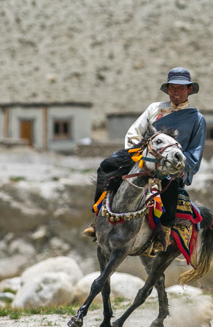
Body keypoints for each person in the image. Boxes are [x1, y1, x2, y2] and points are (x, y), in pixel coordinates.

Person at [83, 67, 206, 249]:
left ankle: (162, 233)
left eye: (181, 88)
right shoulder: (154, 109)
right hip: (144, 158)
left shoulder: (197, 119)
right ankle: (97, 219)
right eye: (173, 87)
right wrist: (138, 154)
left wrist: (177, 165)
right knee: (106, 167)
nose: (176, 91)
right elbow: (135, 132)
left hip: (170, 166)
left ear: (189, 90)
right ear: (167, 89)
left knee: (169, 194)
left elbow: (194, 152)